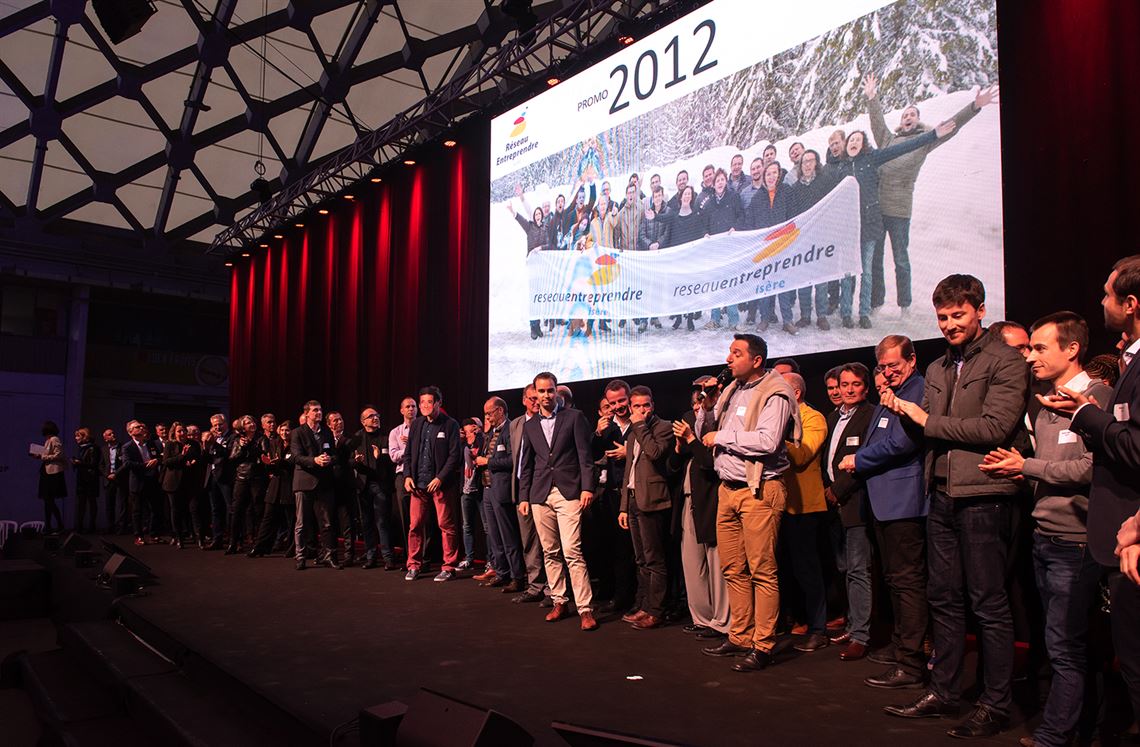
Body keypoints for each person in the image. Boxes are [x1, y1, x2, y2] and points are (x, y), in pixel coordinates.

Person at [882, 274, 1028, 738]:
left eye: (958, 315)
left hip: (984, 494)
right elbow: (927, 429)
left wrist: (925, 419)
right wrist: (903, 414)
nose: (949, 324)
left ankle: (995, 704)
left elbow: (994, 428)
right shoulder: (939, 367)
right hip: (942, 494)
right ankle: (944, 692)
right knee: (943, 598)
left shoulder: (1006, 361)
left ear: (980, 310)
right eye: (942, 317)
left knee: (988, 603)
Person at [979, 311, 1111, 747]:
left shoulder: (1095, 397)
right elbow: (1051, 468)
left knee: (1066, 645)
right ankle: (1079, 730)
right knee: (1062, 643)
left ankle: (1055, 736)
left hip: (1077, 543)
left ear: (1071, 349)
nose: (1030, 357)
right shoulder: (1045, 400)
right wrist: (1017, 471)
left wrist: (1027, 466)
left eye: (1039, 348)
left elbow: (1091, 468)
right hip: (1045, 537)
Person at [1042, 256, 1140, 734]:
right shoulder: (1129, 364)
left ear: (1131, 303)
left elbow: (1133, 448)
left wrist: (1085, 415)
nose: (1101, 301)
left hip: (1121, 539)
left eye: (1107, 293)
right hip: (1114, 537)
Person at [699, 334, 801, 672]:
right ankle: (741, 635)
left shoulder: (775, 391)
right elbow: (705, 432)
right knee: (733, 568)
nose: (728, 359)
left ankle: (764, 644)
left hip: (759, 490)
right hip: (728, 490)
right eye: (729, 352)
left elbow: (768, 441)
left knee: (762, 571)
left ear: (756, 360)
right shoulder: (732, 389)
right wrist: (707, 407)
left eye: (736, 353)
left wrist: (722, 436)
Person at [863, 73, 998, 313]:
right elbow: (877, 122)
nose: (907, 117)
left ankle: (905, 305)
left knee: (900, 260)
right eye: (905, 115)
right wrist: (872, 97)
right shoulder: (888, 140)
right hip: (877, 209)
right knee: (876, 260)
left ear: (918, 120)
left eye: (912, 115)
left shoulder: (924, 141)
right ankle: (876, 303)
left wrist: (974, 106)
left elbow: (951, 127)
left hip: (900, 210)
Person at [840, 335, 929, 689]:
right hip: (883, 501)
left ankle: (911, 663)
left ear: (912, 359)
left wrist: (859, 459)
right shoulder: (891, 393)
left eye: (894, 365)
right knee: (894, 580)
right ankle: (901, 647)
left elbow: (904, 442)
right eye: (882, 367)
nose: (888, 372)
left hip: (904, 500)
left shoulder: (917, 389)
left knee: (908, 582)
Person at [833, 120, 957, 329]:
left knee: (867, 272)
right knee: (847, 273)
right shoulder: (841, 168)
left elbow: (903, 148)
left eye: (858, 139)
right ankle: (846, 313)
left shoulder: (872, 158)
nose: (854, 142)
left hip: (870, 226)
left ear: (863, 144)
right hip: (849, 229)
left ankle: (864, 313)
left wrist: (933, 135)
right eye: (851, 140)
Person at [518, 371, 599, 631]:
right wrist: (523, 496)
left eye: (550, 390)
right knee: (550, 552)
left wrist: (587, 488)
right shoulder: (530, 425)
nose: (546, 395)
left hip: (569, 492)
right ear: (535, 394)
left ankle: (585, 608)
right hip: (540, 494)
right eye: (541, 391)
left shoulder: (574, 417)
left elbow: (585, 456)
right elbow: (526, 465)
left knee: (572, 551)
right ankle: (559, 601)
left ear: (556, 391)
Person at [670, 376, 731, 640]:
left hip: (712, 499)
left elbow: (709, 463)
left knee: (717, 564)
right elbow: (672, 467)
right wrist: (679, 446)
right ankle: (702, 618)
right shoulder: (687, 423)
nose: (697, 407)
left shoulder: (721, 425)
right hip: (688, 501)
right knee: (693, 564)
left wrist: (692, 439)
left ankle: (722, 621)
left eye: (703, 401)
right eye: (695, 403)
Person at [822, 363, 876, 661]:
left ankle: (861, 636)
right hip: (833, 507)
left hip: (857, 503)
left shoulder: (872, 415)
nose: (849, 389)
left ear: (865, 388)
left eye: (856, 384)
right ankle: (852, 624)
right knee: (844, 569)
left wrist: (837, 490)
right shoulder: (833, 417)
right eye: (845, 384)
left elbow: (865, 460)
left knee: (858, 570)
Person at [776, 372, 830, 653]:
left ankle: (818, 629)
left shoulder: (813, 418)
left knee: (808, 570)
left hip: (805, 506)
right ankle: (788, 622)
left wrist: (770, 436)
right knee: (783, 569)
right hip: (778, 505)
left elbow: (801, 455)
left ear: (795, 394)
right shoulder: (779, 418)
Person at [618, 385, 674, 630]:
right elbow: (628, 470)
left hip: (652, 500)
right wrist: (623, 507)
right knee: (640, 558)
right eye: (637, 406)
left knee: (654, 558)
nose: (642, 410)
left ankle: (656, 610)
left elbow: (654, 452)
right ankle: (644, 605)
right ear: (631, 408)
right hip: (632, 499)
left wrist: (640, 425)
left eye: (646, 405)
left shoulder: (663, 427)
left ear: (653, 405)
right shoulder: (633, 431)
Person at [403, 386, 463, 582]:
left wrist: (440, 478)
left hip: (440, 485)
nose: (425, 406)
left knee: (446, 525)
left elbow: (455, 456)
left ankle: (449, 566)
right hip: (418, 485)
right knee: (415, 525)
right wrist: (407, 475)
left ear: (438, 403)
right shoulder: (417, 424)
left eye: (429, 402)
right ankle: (414, 564)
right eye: (422, 402)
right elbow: (408, 454)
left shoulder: (450, 424)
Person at [591, 380, 638, 614]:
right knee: (615, 550)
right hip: (612, 496)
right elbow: (592, 455)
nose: (618, 406)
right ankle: (620, 598)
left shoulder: (639, 423)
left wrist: (628, 452)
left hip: (635, 494)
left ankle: (637, 599)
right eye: (612, 403)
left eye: (621, 401)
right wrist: (598, 433)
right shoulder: (608, 428)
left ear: (629, 398)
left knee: (636, 551)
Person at [475, 397, 525, 592]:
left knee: (508, 536)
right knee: (494, 536)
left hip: (502, 490)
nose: (487, 417)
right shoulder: (491, 433)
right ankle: (501, 572)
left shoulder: (510, 430)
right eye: (485, 414)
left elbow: (514, 460)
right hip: (487, 489)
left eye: (489, 413)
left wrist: (488, 462)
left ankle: (517, 577)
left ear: (500, 411)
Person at [788, 149, 840, 330]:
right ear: (800, 166)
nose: (807, 165)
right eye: (804, 162)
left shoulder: (824, 184)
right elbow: (794, 215)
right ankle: (805, 315)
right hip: (803, 239)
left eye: (811, 161)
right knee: (804, 280)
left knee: (821, 279)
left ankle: (822, 316)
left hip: (822, 237)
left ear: (816, 163)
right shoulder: (795, 189)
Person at [510, 384, 551, 603]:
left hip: (543, 487)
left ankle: (552, 590)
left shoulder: (549, 421)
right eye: (532, 398)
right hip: (522, 489)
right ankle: (535, 586)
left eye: (538, 397)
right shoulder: (516, 424)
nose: (536, 401)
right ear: (524, 400)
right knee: (528, 541)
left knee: (549, 542)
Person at [290, 400, 340, 571]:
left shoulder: (326, 432)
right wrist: (315, 460)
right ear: (307, 414)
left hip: (324, 482)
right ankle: (300, 556)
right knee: (302, 523)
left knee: (327, 523)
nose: (319, 413)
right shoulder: (298, 432)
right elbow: (296, 457)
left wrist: (329, 459)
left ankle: (329, 556)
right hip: (304, 482)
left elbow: (335, 455)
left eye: (320, 410)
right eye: (315, 410)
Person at [748, 161, 795, 334]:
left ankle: (787, 320)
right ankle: (764, 318)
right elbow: (751, 222)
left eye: (774, 173)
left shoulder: (786, 193)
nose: (771, 177)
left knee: (783, 284)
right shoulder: (757, 198)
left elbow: (793, 217)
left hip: (783, 245)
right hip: (765, 248)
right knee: (765, 284)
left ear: (779, 175)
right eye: (768, 174)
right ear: (764, 176)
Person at [350, 406, 397, 570]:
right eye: (371, 416)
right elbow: (349, 461)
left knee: (382, 522)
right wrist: (356, 461)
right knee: (367, 523)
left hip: (380, 485)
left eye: (377, 415)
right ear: (363, 422)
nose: (375, 418)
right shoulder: (356, 438)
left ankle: (388, 558)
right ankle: (371, 557)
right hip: (363, 485)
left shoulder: (386, 436)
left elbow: (393, 461)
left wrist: (380, 458)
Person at [250, 420, 296, 559]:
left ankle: (292, 548)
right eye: (282, 430)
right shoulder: (275, 443)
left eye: (287, 430)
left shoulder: (296, 445)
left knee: (291, 520)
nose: (284, 433)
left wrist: (280, 462)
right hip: (275, 486)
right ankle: (259, 547)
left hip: (290, 486)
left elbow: (293, 463)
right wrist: (269, 464)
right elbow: (271, 465)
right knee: (268, 518)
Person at [226, 415, 264, 555]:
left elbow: (264, 455)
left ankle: (258, 544)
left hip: (257, 478)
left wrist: (251, 446)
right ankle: (233, 543)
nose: (252, 424)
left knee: (258, 511)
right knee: (236, 510)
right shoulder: (237, 440)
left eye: (252, 422)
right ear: (243, 427)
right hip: (241, 477)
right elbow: (232, 458)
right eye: (248, 423)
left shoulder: (261, 438)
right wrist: (242, 447)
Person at [121, 420, 161, 545]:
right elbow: (127, 463)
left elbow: (159, 456)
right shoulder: (127, 447)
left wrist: (156, 461)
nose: (141, 428)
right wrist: (145, 466)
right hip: (138, 482)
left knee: (155, 509)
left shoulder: (151, 444)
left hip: (152, 480)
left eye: (141, 426)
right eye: (137, 427)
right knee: (137, 511)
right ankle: (139, 536)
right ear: (130, 432)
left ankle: (153, 534)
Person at [160, 422, 197, 549]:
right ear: (174, 433)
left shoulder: (193, 444)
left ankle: (194, 535)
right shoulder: (170, 444)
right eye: (179, 431)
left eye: (184, 431)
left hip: (189, 482)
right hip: (173, 482)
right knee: (175, 510)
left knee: (190, 509)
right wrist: (182, 455)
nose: (182, 433)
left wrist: (193, 462)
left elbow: (197, 457)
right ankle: (178, 536)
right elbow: (166, 462)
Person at [388, 396, 416, 554]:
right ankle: (408, 553)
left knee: (422, 516)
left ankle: (424, 554)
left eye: (413, 406)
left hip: (420, 474)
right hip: (402, 475)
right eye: (408, 406)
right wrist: (409, 448)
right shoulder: (395, 432)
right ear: (401, 410)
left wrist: (412, 443)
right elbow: (393, 456)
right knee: (405, 516)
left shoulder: (423, 428)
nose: (411, 409)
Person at [459, 417, 487, 573]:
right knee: (467, 526)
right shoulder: (463, 447)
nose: (470, 434)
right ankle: (469, 558)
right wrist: (460, 439)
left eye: (472, 431)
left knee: (487, 527)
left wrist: (480, 435)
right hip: (465, 490)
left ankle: (491, 561)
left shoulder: (483, 443)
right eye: (467, 432)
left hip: (480, 489)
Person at [33, 421, 66, 533]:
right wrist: (39, 455)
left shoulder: (54, 439)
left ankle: (57, 525)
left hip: (53, 473)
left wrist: (42, 457)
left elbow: (58, 454)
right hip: (47, 472)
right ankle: (49, 525)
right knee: (47, 500)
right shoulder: (48, 440)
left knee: (49, 500)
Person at [71, 427, 100, 534]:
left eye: (78, 436)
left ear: (84, 437)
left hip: (90, 479)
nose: (76, 438)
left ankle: (92, 526)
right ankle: (79, 526)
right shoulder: (82, 448)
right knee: (81, 503)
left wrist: (79, 463)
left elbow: (93, 464)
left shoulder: (93, 448)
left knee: (91, 502)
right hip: (82, 478)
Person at [101, 428, 125, 534]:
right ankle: (110, 526)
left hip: (120, 479)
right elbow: (101, 465)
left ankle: (121, 527)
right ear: (105, 438)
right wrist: (107, 475)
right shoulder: (103, 449)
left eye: (113, 433)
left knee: (122, 504)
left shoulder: (122, 448)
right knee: (109, 504)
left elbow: (125, 463)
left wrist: (116, 474)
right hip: (108, 480)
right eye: (110, 434)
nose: (112, 435)